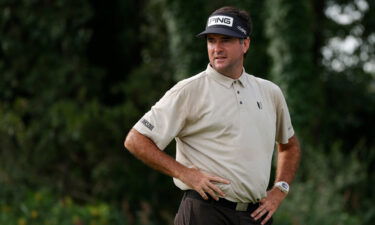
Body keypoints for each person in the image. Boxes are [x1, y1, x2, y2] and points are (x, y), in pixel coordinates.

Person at [124, 6, 301, 225]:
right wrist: (184, 173)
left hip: (255, 216)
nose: (217, 48)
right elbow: (136, 139)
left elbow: (289, 145)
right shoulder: (189, 90)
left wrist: (280, 189)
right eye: (211, 40)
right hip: (204, 212)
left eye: (225, 40)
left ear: (245, 44)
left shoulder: (270, 92)